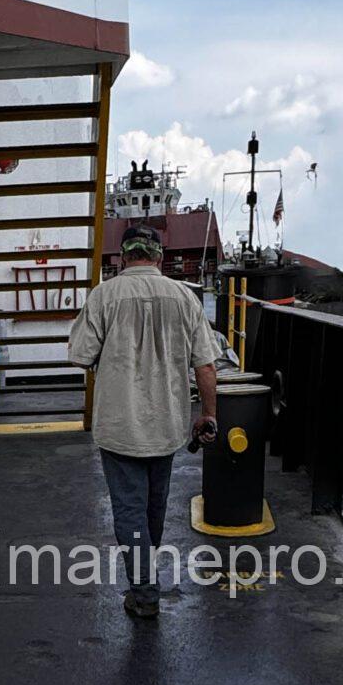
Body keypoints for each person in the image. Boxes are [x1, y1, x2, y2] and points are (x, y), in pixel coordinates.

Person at [67, 227, 221, 619]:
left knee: (130, 511)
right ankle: (144, 581)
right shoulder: (185, 298)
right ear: (157, 256)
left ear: (123, 257)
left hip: (119, 426)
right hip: (167, 423)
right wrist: (209, 414)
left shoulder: (104, 295)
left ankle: (145, 591)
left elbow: (80, 355)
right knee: (153, 507)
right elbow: (205, 365)